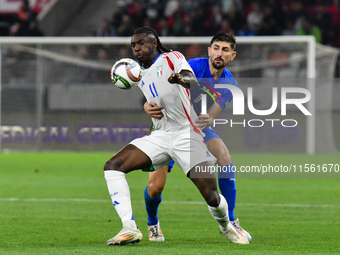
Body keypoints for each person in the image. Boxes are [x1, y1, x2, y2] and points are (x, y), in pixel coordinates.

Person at [104, 26, 249, 246]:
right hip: (160, 134)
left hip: (188, 132)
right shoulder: (138, 74)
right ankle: (131, 227)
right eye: (134, 45)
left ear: (154, 43)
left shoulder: (173, 58)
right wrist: (146, 107)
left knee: (212, 193)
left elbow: (188, 78)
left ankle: (227, 225)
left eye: (141, 43)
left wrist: (182, 80)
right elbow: (154, 98)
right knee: (122, 171)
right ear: (210, 50)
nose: (137, 48)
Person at [143, 33, 252, 242]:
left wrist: (207, 120)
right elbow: (161, 86)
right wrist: (148, 104)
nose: (220, 53)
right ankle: (152, 223)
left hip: (194, 128)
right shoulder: (192, 66)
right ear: (209, 51)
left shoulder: (230, 86)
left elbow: (209, 117)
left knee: (224, 158)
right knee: (155, 188)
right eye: (217, 48)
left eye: (225, 50)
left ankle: (230, 222)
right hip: (167, 128)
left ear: (233, 55)